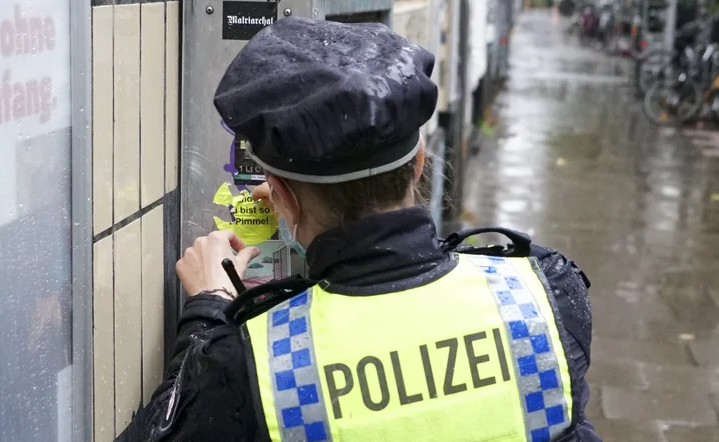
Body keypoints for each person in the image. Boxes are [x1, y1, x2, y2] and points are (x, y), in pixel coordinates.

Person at [116, 16, 600, 442]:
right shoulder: (546, 294)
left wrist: (207, 312)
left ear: (280, 196)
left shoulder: (253, 368)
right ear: (419, 164)